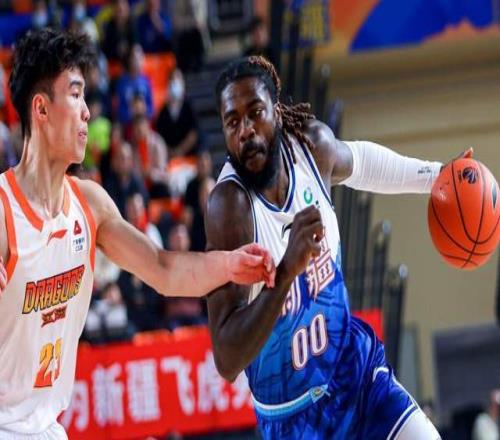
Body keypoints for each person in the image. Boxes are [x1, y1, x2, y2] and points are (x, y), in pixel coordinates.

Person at [0, 30, 275, 438]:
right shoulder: (4, 212)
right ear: (40, 108)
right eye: (75, 95)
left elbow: (163, 268)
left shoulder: (89, 204)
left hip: (45, 427)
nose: (87, 112)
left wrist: (230, 265)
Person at [206, 56, 453, 439]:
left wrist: (438, 176)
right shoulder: (230, 209)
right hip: (293, 416)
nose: (246, 130)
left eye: (255, 113)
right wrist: (285, 272)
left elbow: (365, 163)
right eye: (232, 121)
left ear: (277, 112)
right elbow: (226, 358)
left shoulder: (311, 148)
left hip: (355, 375)